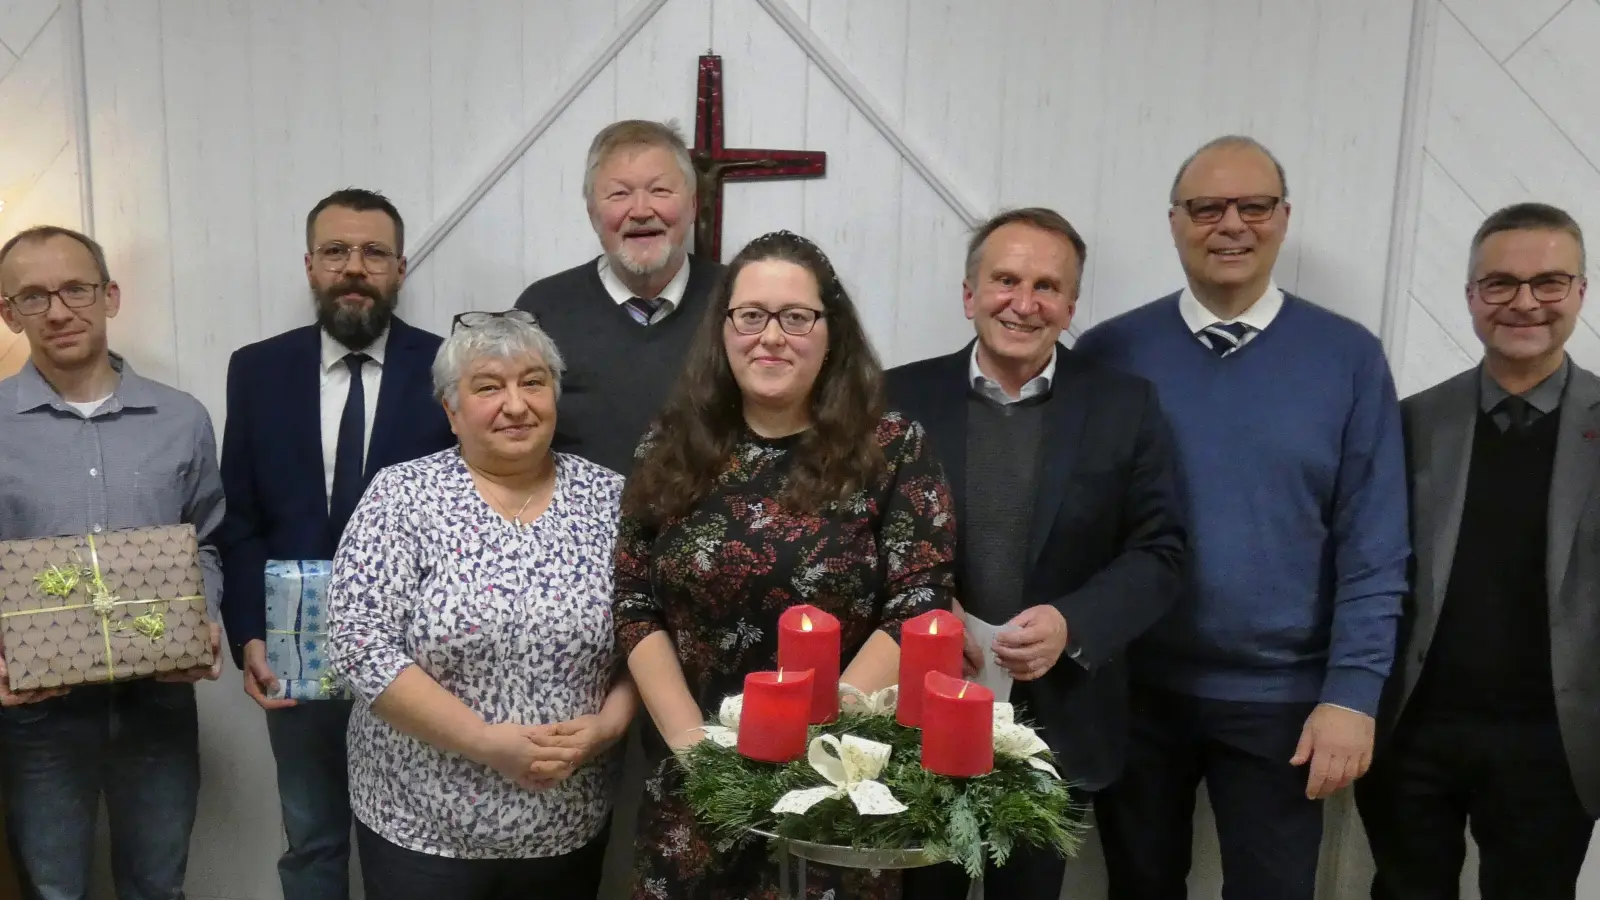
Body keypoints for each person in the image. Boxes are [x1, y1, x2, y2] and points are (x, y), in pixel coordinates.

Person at [1074, 135, 1410, 900]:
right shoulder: (1111, 352)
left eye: (1253, 206)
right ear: (1174, 221)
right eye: (1208, 207)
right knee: (1138, 885)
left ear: (1283, 219)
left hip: (1284, 703)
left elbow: (1375, 543)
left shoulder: (1348, 358)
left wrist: (1352, 694)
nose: (1231, 224)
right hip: (1136, 693)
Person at [614, 230, 958, 900]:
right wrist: (697, 750)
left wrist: (818, 745)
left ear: (832, 333)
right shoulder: (668, 446)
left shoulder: (892, 448)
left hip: (835, 787)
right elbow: (632, 601)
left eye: (796, 317)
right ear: (723, 330)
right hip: (693, 787)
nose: (771, 336)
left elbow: (920, 600)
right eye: (751, 316)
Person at [889, 207, 1187, 900]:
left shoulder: (1125, 406)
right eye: (1005, 280)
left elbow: (1161, 550)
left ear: (1070, 305)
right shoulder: (897, 397)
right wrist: (930, 610)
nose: (1024, 303)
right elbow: (860, 539)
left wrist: (1073, 626)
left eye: (1047, 287)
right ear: (970, 294)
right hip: (919, 710)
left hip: (1060, 719)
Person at [326, 310, 637, 899]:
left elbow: (650, 632)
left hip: (565, 823)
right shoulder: (403, 495)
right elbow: (358, 643)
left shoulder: (609, 498)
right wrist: (485, 742)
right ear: (451, 409)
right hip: (421, 828)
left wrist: (608, 726)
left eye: (534, 382)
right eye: (489, 387)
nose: (516, 405)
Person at [1355, 202, 1600, 900]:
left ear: (1580, 291)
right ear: (1471, 296)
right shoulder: (1410, 423)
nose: (1524, 302)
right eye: (1500, 283)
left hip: (1555, 741)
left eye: (1549, 282)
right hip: (1414, 731)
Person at [217, 187, 455, 900]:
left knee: (415, 843)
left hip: (420, 654)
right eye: (336, 252)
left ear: (401, 268)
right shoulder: (257, 370)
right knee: (313, 837)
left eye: (373, 253)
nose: (355, 267)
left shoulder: (450, 368)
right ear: (310, 266)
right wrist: (249, 635)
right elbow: (242, 517)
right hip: (297, 645)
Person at [0, 225, 224, 900]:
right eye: (33, 296)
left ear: (110, 296)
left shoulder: (181, 419)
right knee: (53, 889)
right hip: (36, 711)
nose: (60, 310)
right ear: (8, 313)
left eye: (76, 288)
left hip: (157, 698)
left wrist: (204, 619)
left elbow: (208, 539)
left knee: (157, 885)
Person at [513, 118, 724, 475]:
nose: (641, 211)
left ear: (692, 205)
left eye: (659, 191)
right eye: (619, 194)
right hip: (579, 528)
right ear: (593, 213)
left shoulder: (738, 301)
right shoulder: (542, 308)